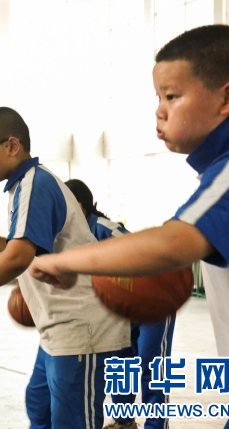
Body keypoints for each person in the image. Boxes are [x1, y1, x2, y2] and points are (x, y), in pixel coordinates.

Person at [32, 25, 229, 429]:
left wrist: (67, 262)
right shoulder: (226, 164)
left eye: (172, 96)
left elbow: (175, 242)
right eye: (158, 97)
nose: (160, 111)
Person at [0, 107, 130, 429]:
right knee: (39, 407)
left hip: (81, 326)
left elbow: (18, 258)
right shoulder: (23, 186)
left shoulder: (35, 184)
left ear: (12, 146)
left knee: (73, 422)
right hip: (57, 327)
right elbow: (34, 254)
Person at [64, 179, 175, 429]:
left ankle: (157, 426)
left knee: (151, 364)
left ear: (79, 207)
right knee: (122, 361)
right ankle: (124, 422)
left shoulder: (105, 230)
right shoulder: (71, 238)